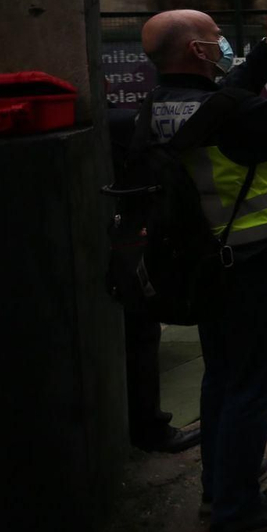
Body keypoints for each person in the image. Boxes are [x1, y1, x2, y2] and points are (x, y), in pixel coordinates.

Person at [139, 0, 267, 532]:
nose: (224, 41)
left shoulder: (159, 105)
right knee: (255, 380)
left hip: (200, 267)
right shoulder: (232, 119)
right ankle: (238, 507)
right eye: (215, 36)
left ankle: (218, 485)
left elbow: (226, 98)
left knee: (223, 375)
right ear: (198, 51)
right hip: (249, 266)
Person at [107, 103, 201, 455]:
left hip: (122, 237)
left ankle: (147, 425)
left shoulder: (122, 121)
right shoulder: (120, 123)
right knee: (140, 328)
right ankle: (149, 428)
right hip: (125, 239)